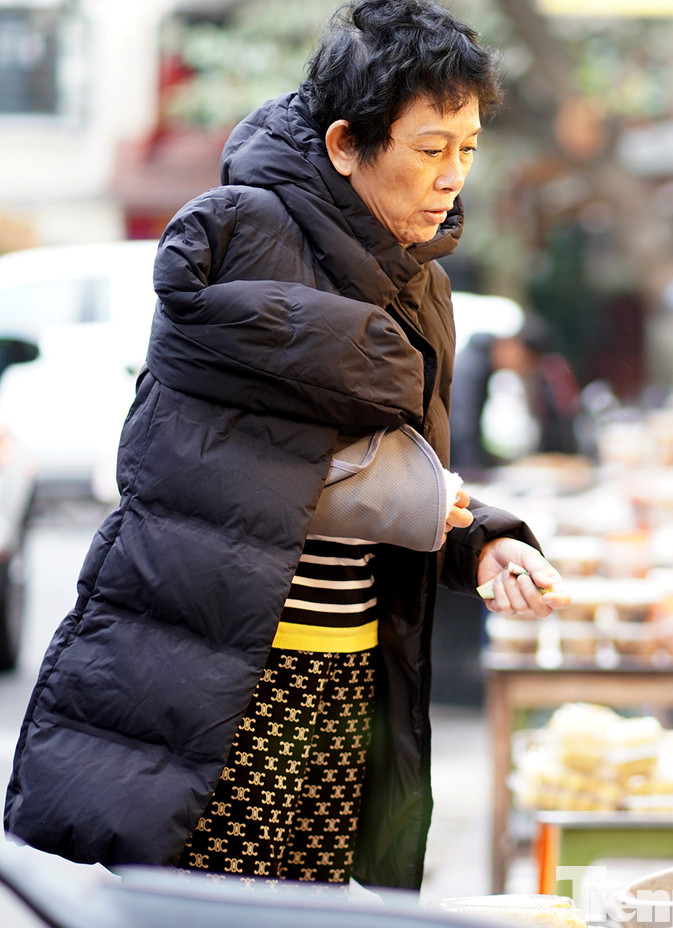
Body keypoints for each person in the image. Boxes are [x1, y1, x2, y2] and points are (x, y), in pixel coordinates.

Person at [5, 0, 568, 892]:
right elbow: (239, 455)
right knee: (214, 915)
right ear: (347, 144)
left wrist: (482, 536)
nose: (453, 175)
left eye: (467, 148)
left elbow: (394, 465)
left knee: (310, 912)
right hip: (233, 674)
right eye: (429, 149)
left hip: (347, 670)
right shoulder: (238, 231)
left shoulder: (418, 283)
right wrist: (409, 441)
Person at [450, 309, 580, 480]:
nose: (523, 369)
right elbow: (462, 429)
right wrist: (474, 478)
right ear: (513, 346)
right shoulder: (470, 369)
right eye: (527, 362)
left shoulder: (482, 365)